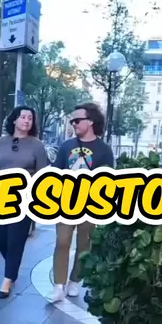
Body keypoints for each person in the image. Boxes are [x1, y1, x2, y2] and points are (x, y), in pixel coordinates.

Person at [48, 102, 114, 303]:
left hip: (90, 205)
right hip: (66, 203)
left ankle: (75, 280)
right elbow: (56, 173)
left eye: (77, 120)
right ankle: (58, 286)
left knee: (84, 245)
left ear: (90, 121)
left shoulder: (104, 150)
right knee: (62, 242)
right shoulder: (66, 146)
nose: (74, 124)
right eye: (72, 121)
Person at [0, 106, 48, 298]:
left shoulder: (37, 145)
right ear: (14, 119)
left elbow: (42, 174)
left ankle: (7, 280)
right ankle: (12, 267)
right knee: (0, 238)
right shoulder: (1, 142)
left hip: (23, 199)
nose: (26, 121)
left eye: (30, 118)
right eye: (23, 117)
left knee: (16, 240)